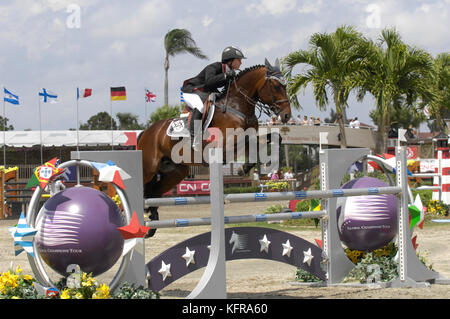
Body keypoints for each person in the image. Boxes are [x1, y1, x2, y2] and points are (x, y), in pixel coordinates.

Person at [181, 46, 246, 151]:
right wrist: (225, 76)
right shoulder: (215, 67)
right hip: (191, 90)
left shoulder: (230, 72)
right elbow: (209, 81)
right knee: (200, 107)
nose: (241, 63)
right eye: (239, 60)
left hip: (205, 92)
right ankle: (194, 140)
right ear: (231, 60)